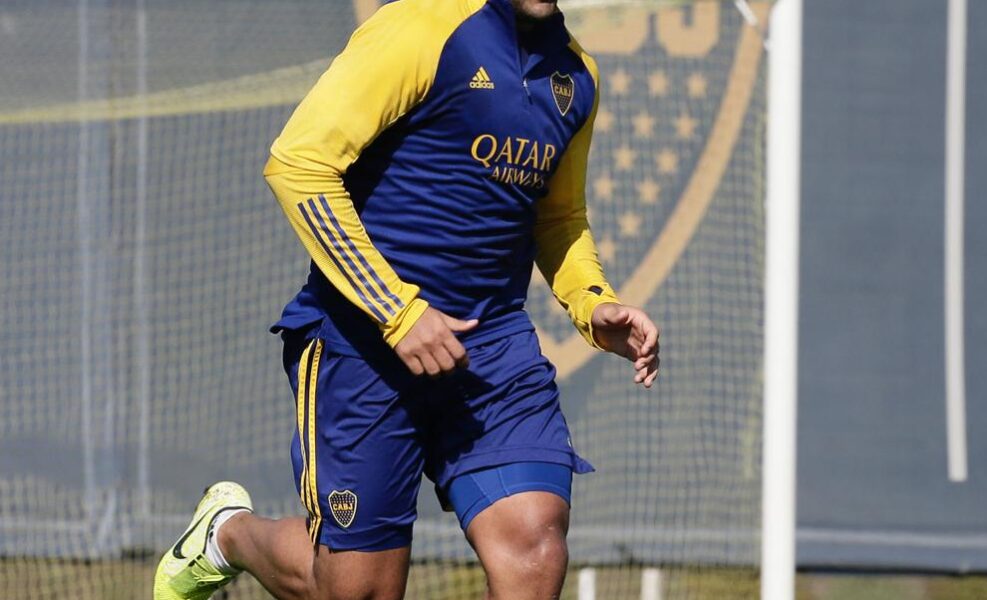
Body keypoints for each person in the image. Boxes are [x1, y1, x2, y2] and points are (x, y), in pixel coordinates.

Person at [154, 0, 659, 598]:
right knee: (352, 590)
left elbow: (557, 216)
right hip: (363, 344)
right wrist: (396, 311)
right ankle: (226, 534)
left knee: (536, 548)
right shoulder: (418, 27)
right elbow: (299, 164)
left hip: (493, 349)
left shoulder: (577, 75)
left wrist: (592, 302)